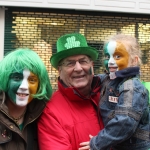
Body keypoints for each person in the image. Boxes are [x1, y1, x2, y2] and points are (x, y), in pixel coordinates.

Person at [79, 34, 150, 150]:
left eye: (117, 56)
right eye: (107, 56)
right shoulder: (111, 78)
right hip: (119, 144)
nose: (110, 62)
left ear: (134, 61)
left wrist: (98, 142)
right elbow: (95, 79)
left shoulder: (132, 87)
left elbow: (124, 123)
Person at [38, 33, 104, 150]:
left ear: (92, 66)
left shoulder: (108, 95)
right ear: (60, 70)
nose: (78, 68)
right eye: (70, 63)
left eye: (83, 61)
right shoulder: (50, 112)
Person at [0, 48, 52, 150]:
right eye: (17, 78)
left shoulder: (44, 118)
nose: (24, 86)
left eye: (32, 80)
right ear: (5, 79)